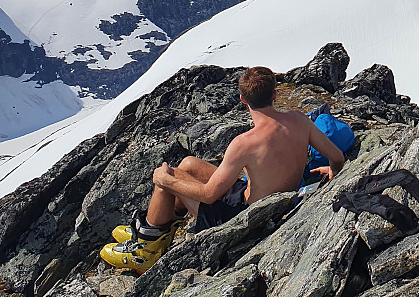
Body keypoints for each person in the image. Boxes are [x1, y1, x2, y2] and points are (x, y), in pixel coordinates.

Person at [100, 66, 345, 273]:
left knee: (171, 175)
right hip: (273, 201)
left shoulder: (244, 143)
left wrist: (164, 179)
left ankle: (146, 248)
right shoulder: (299, 120)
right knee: (188, 164)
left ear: (242, 99)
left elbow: (209, 195)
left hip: (245, 218)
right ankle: (158, 228)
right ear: (275, 95)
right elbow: (337, 157)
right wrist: (332, 171)